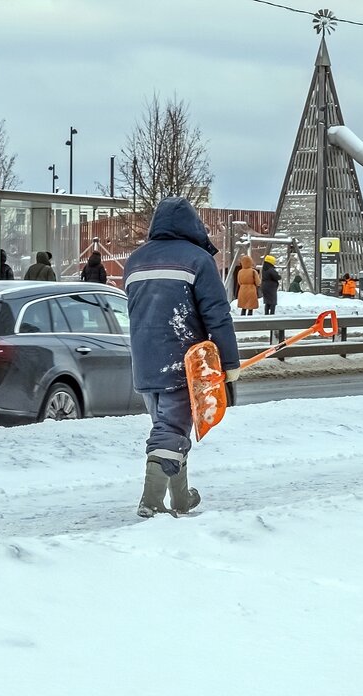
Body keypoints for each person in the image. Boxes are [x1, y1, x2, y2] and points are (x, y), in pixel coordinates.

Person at [124, 196, 240, 518]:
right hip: (183, 362)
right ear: (193, 225)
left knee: (171, 428)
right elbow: (217, 315)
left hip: (144, 363)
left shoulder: (134, 262)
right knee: (172, 430)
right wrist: (229, 365)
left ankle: (181, 498)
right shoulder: (198, 261)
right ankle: (151, 501)